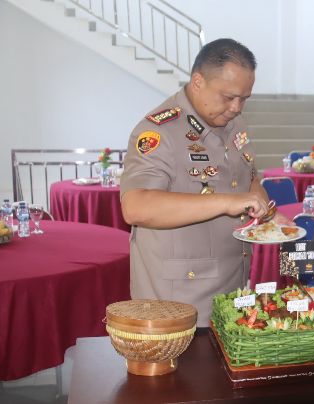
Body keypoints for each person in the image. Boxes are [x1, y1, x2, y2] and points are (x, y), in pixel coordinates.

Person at [120, 39, 270, 328]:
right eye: (228, 97)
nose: (237, 107)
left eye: (244, 98)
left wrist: (261, 204)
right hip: (178, 304)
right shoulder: (158, 132)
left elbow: (249, 176)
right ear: (198, 81)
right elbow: (136, 206)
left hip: (232, 291)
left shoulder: (233, 123)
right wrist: (227, 201)